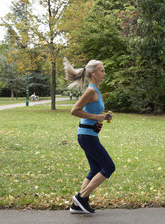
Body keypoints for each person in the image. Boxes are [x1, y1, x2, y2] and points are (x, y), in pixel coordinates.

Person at [63, 58, 114, 214]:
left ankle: (77, 206)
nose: (104, 73)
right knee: (109, 167)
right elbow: (74, 111)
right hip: (86, 136)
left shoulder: (96, 90)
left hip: (90, 135)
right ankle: (82, 197)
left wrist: (104, 116)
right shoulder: (90, 90)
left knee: (95, 169)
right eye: (102, 70)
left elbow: (92, 112)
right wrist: (96, 117)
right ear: (93, 73)